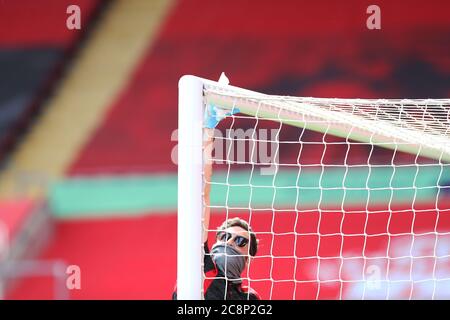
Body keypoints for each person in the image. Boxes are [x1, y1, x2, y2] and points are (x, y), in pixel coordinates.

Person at [173, 102, 260, 300]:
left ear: (248, 257)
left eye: (239, 240)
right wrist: (209, 130)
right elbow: (201, 193)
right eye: (222, 236)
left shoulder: (249, 298)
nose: (228, 242)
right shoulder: (200, 268)